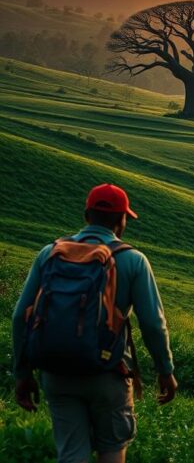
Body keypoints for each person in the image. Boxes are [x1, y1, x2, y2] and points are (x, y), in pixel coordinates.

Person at [11, 183, 177, 463]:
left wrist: (22, 373)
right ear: (122, 221)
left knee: (71, 453)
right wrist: (165, 370)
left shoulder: (49, 253)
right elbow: (152, 324)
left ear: (86, 215)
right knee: (112, 449)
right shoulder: (133, 260)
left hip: (56, 371)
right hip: (108, 372)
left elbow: (19, 316)